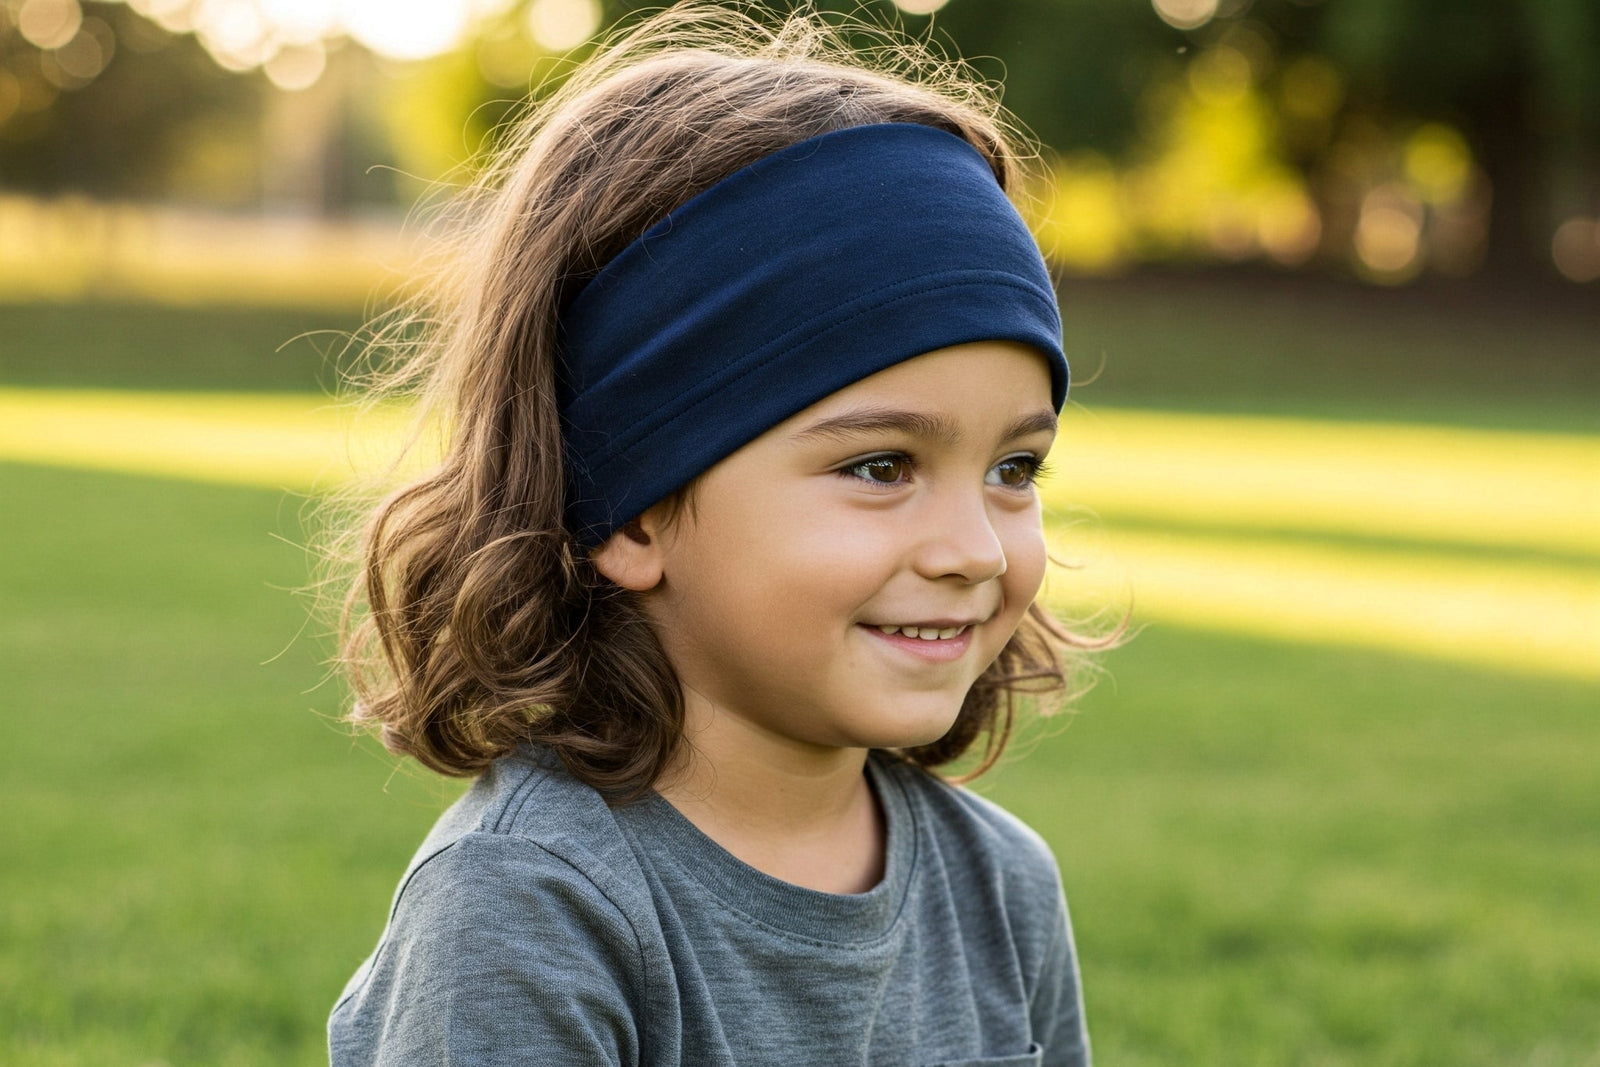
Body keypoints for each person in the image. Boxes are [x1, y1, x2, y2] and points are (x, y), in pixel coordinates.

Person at [327, 5, 1112, 1064]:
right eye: (881, 466)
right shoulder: (523, 905)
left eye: (1013, 469)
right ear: (631, 508)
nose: (974, 548)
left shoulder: (1003, 887)